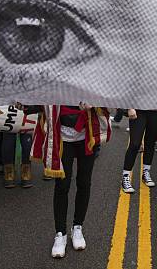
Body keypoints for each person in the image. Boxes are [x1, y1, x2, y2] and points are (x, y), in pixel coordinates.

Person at [34, 104, 110, 259]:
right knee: (62, 185)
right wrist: (21, 100)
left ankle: (78, 226)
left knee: (84, 182)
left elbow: (106, 97)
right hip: (61, 134)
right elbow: (40, 95)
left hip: (87, 134)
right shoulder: (56, 80)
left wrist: (94, 103)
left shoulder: (93, 79)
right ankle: (60, 233)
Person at [121, 109, 157, 194]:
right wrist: (130, 107)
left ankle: (146, 172)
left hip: (156, 110)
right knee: (135, 143)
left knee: (150, 142)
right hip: (139, 109)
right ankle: (126, 176)